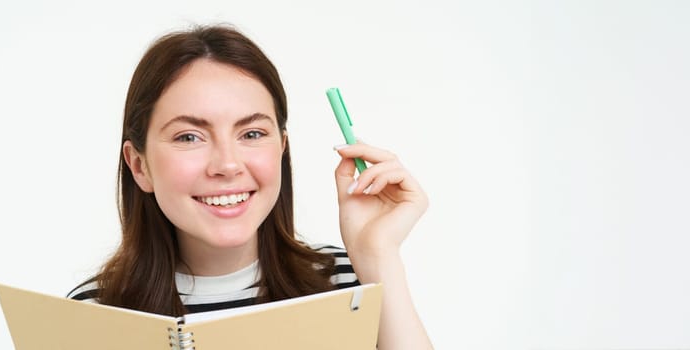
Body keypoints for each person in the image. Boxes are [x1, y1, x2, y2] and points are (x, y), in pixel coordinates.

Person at [68, 24, 433, 349]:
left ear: (281, 149)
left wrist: (377, 257)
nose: (227, 164)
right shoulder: (91, 313)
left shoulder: (349, 284)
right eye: (189, 137)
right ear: (139, 165)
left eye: (252, 133)